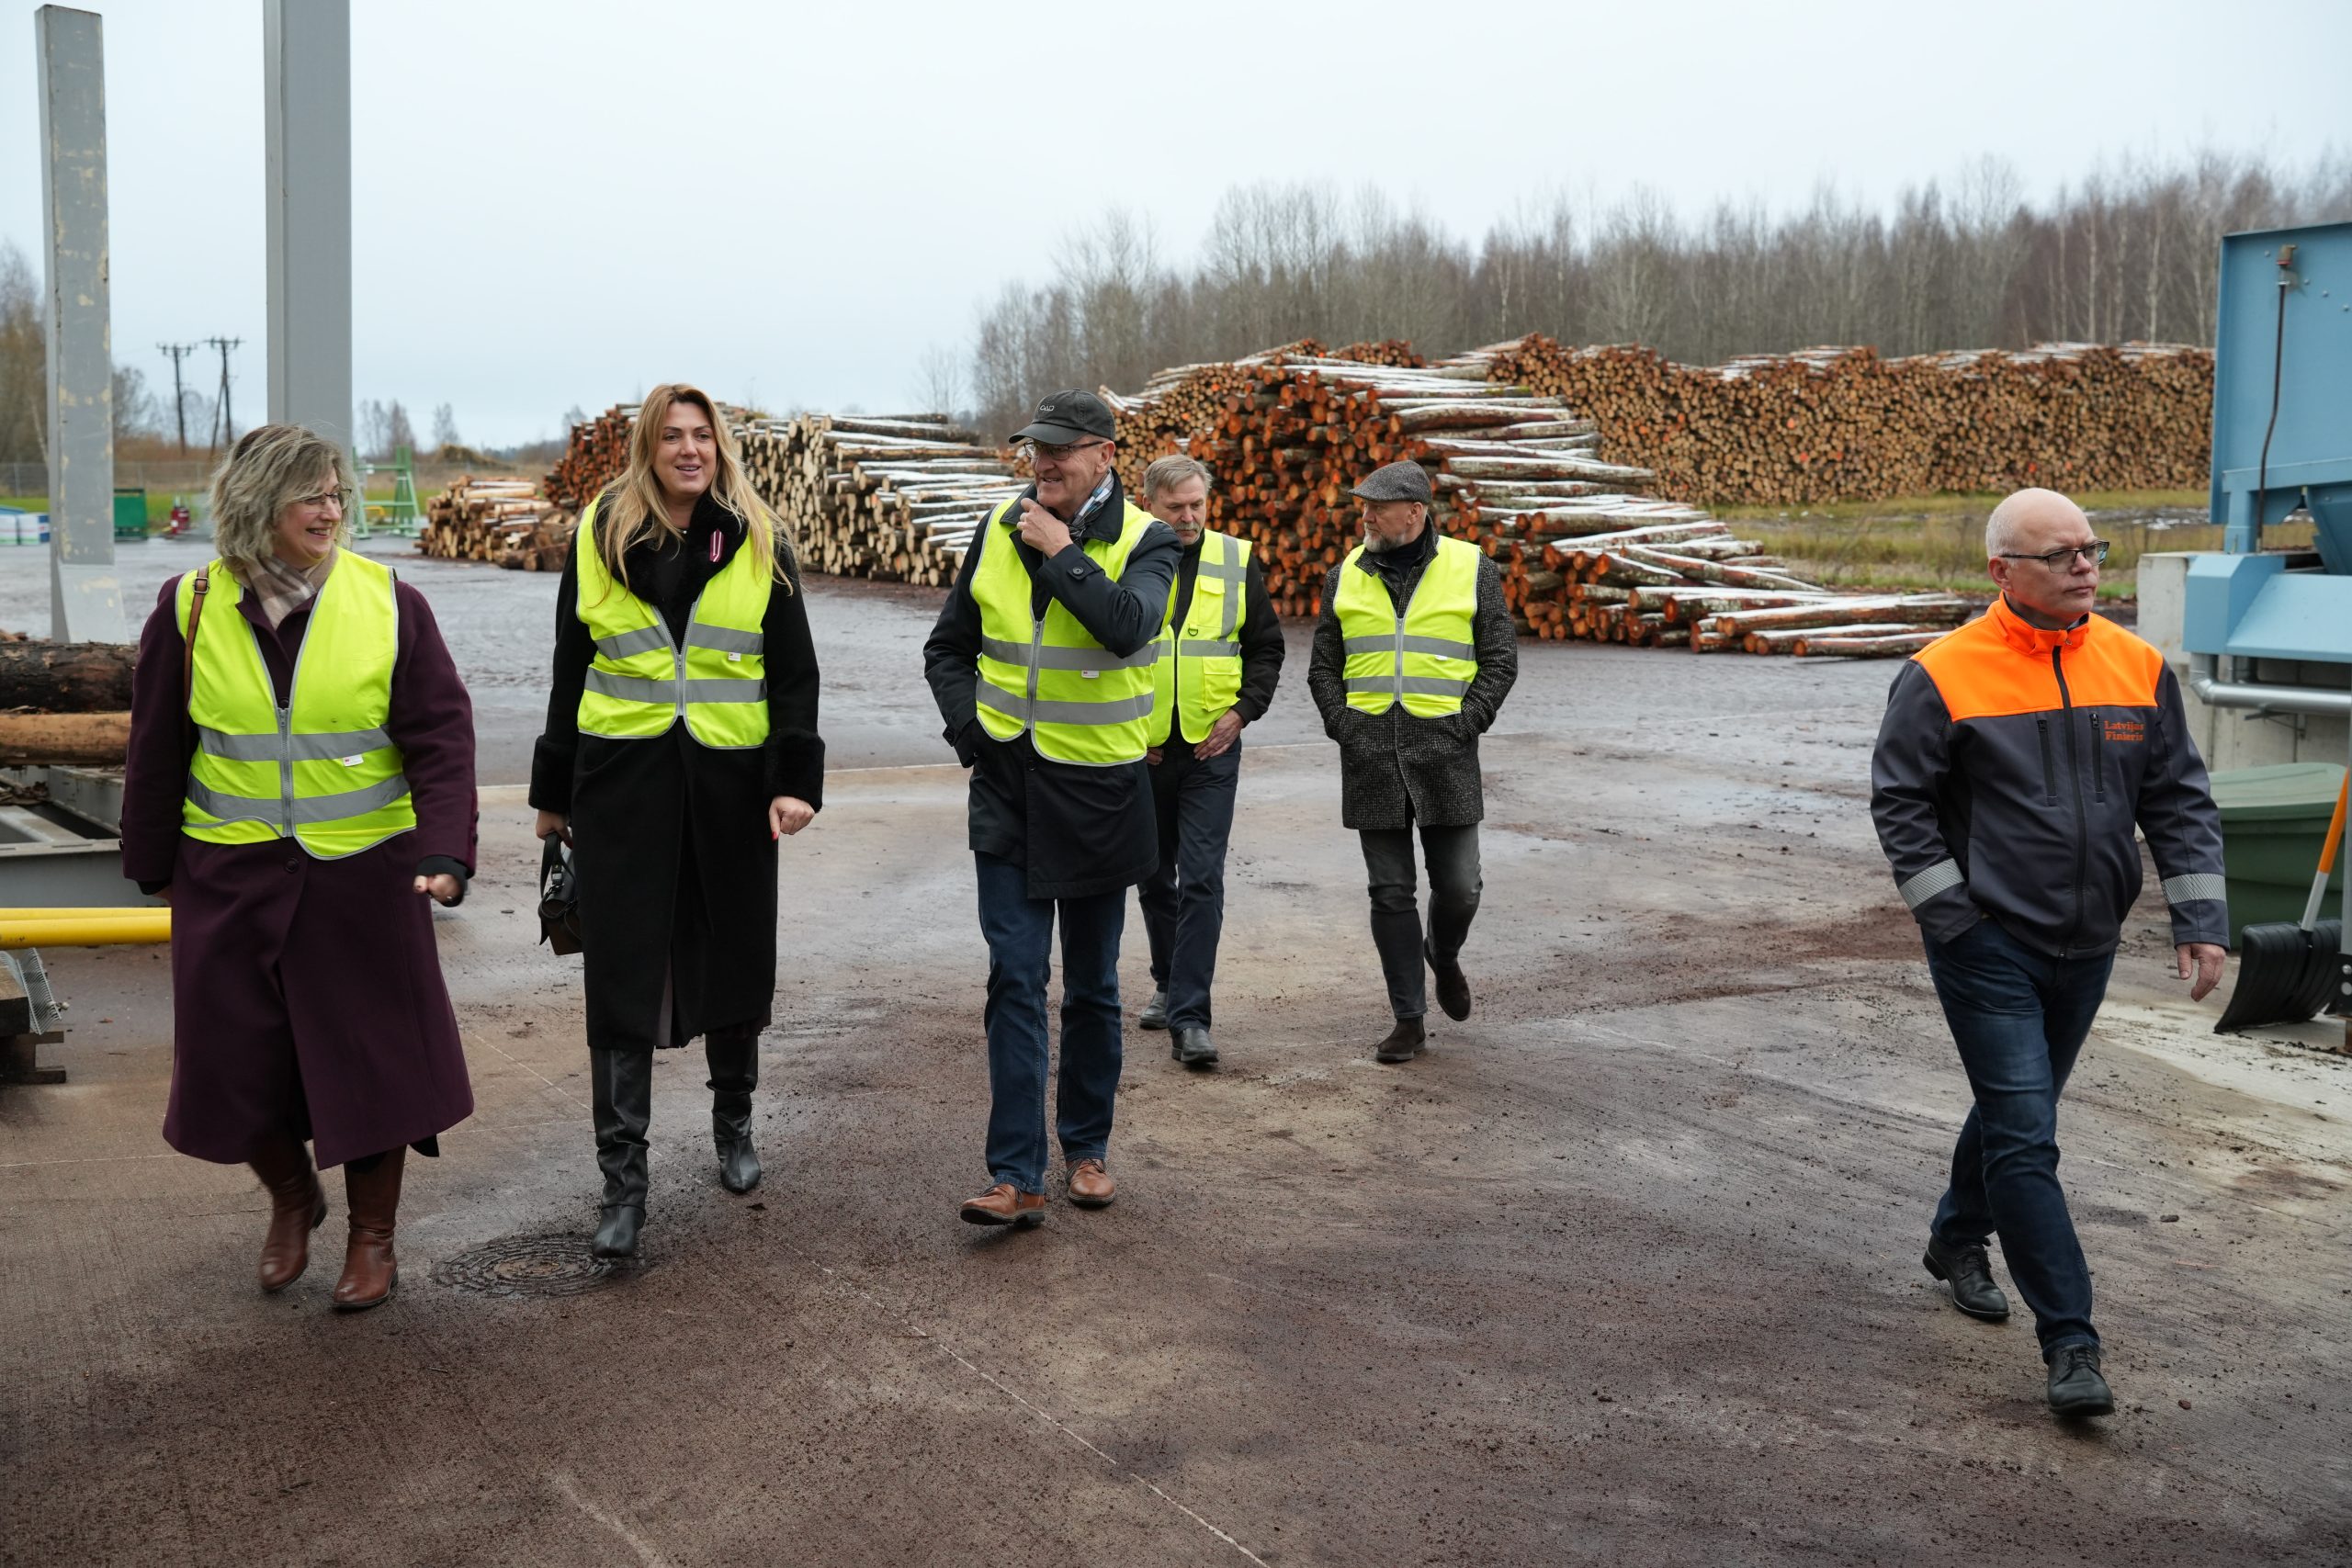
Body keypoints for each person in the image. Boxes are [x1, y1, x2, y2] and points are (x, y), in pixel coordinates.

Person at [1871, 486, 2228, 1420]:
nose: (2085, 566)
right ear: (2002, 571)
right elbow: (1900, 804)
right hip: (1988, 944)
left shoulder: (2135, 665)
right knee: (2028, 1137)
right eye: (2061, 553)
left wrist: (2200, 917)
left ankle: (1956, 1237)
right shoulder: (1944, 672)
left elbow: (2177, 798)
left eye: (2091, 549)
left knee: (2012, 1114)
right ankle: (2070, 1339)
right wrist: (1953, 920)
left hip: (2089, 942)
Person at [119, 423, 477, 1311]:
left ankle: (372, 1237)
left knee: (372, 1063)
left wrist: (444, 849)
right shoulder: (188, 606)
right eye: (311, 494)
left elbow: (441, 737)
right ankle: (291, 1194)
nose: (332, 508)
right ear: (259, 503)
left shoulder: (388, 602)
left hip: (364, 873)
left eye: (336, 492)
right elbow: (157, 745)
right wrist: (152, 860)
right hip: (229, 872)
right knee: (229, 1061)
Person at [530, 384, 824, 1259]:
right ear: (647, 450)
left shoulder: (759, 535)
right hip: (622, 786)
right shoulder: (600, 531)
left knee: (733, 958)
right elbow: (570, 665)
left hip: (732, 786)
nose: (689, 449)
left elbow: (794, 671)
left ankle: (734, 1126)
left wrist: (794, 781)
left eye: (701, 435)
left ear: (719, 445)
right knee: (621, 976)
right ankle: (623, 1185)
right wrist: (553, 794)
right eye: (671, 436)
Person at [921, 390, 1180, 1225]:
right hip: (1008, 790)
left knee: (1094, 987)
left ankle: (1087, 1149)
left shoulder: (1149, 539)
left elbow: (1128, 626)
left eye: (1063, 448)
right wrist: (973, 734)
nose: (1045, 461)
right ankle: (1016, 1174)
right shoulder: (997, 528)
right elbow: (948, 648)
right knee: (1015, 977)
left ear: (1106, 455)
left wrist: (1064, 552)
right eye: (1038, 447)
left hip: (1102, 795)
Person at [1307, 460, 1517, 1064]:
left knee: (1460, 887)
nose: (1366, 516)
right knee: (1390, 891)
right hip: (1369, 754)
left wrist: (1464, 724)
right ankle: (1409, 1018)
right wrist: (1345, 727)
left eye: (1377, 507)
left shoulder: (1472, 567)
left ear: (1416, 512)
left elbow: (1499, 659)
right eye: (1364, 505)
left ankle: (1443, 954)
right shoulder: (1344, 574)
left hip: (1445, 752)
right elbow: (1323, 667)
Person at [1134, 455, 1284, 1066]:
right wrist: (1123, 726)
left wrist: (1242, 712)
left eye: (1197, 504)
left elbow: (1266, 647)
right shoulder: (1121, 558)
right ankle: (1168, 981)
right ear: (1149, 505)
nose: (1189, 516)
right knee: (1152, 875)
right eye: (1176, 507)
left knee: (1200, 877)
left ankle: (1191, 1018)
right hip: (1141, 750)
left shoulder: (1235, 558)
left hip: (1210, 748)